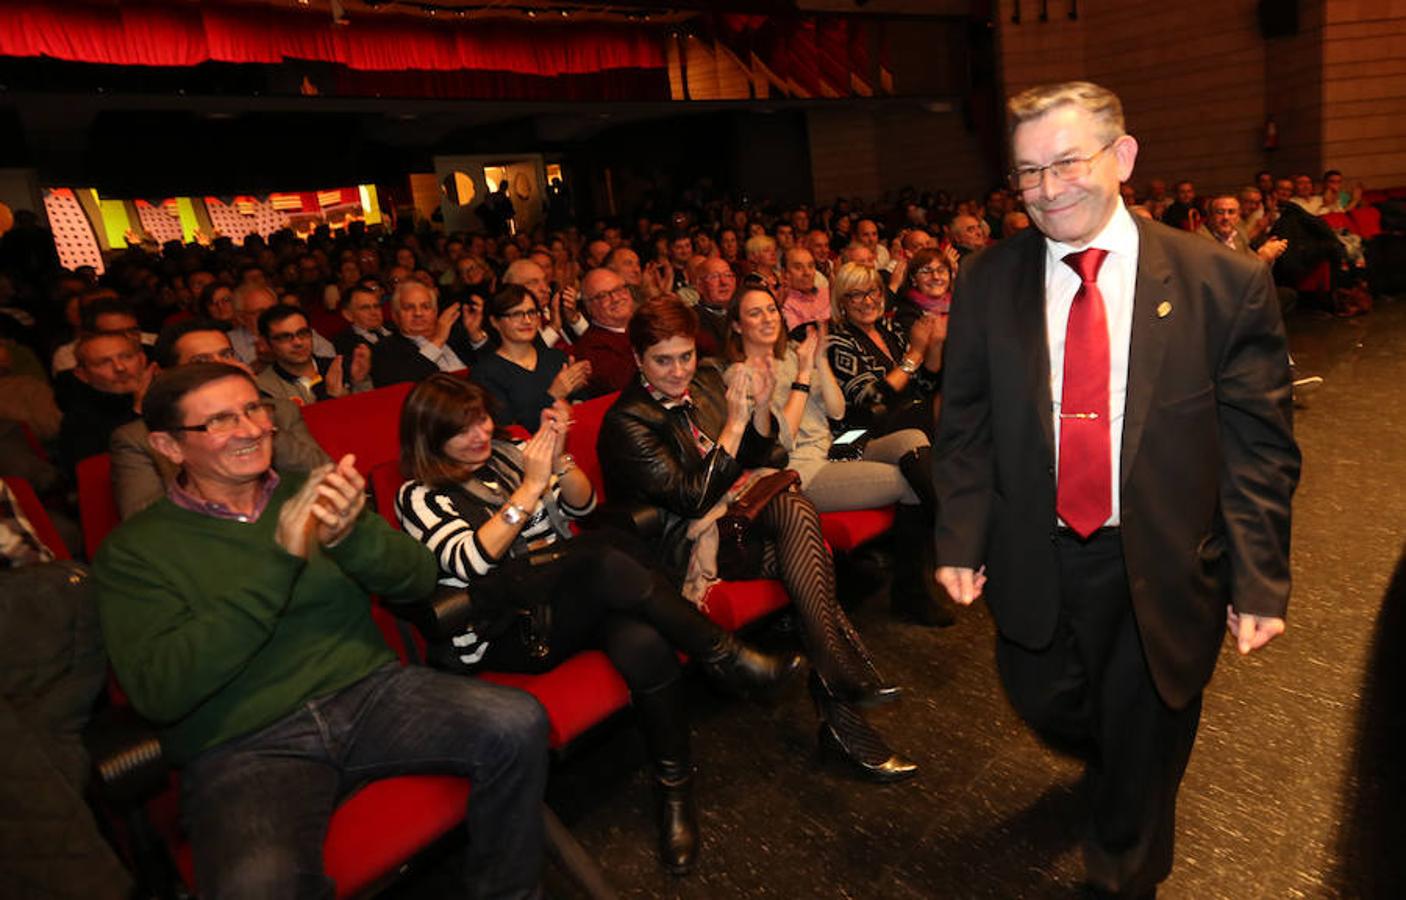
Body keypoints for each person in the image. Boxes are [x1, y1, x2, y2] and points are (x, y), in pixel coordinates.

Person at [933, 81, 1300, 897]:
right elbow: (965, 421)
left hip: (1163, 556)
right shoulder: (989, 279)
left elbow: (1258, 448)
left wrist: (1260, 578)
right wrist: (960, 534)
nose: (1046, 189)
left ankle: (1123, 871)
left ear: (1123, 157)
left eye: (1066, 162)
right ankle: (1117, 760)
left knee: (1145, 733)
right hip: (1034, 548)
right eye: (1028, 173)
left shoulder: (1222, 283)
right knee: (1046, 701)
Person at [95, 363, 549, 897]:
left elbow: (418, 578)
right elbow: (160, 690)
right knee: (257, 884)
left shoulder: (311, 490)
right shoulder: (134, 552)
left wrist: (349, 537)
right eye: (219, 421)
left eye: (253, 410)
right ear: (169, 447)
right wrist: (279, 561)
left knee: (516, 722)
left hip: (369, 694)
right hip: (245, 742)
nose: (248, 429)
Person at [395, 374, 799, 873]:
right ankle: (725, 655)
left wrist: (560, 458)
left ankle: (675, 796)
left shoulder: (511, 450)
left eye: (480, 419)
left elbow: (583, 506)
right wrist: (529, 487)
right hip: (510, 629)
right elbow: (473, 561)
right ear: (430, 437)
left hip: (566, 601)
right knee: (605, 557)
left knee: (643, 639)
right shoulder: (419, 495)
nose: (479, 434)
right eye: (462, 430)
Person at [597, 296, 917, 783]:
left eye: (686, 356)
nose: (679, 370)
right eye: (663, 360)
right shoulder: (628, 421)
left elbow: (767, 455)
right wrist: (735, 422)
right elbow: (691, 499)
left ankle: (840, 703)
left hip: (741, 522)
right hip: (686, 549)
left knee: (799, 536)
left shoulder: (704, 379)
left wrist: (763, 407)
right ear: (637, 359)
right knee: (803, 540)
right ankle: (843, 696)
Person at [726, 286, 949, 626]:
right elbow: (782, 439)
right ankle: (918, 586)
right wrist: (803, 376)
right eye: (755, 313)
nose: (768, 318)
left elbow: (837, 408)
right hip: (801, 471)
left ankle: (945, 550)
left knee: (913, 438)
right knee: (907, 481)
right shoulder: (742, 373)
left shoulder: (790, 356)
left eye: (772, 309)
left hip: (836, 447)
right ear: (737, 326)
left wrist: (818, 365)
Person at [109, 318, 329, 519]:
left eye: (225, 355)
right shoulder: (138, 438)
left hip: (292, 524)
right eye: (201, 361)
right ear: (168, 374)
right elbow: (145, 522)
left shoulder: (278, 411)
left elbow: (323, 473)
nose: (220, 368)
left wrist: (256, 414)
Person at [826, 262, 942, 439]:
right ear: (842, 301)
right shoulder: (837, 341)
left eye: (873, 291)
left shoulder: (889, 328)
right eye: (857, 295)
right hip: (858, 435)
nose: (868, 301)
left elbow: (923, 387)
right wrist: (915, 354)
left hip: (909, 419)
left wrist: (935, 345)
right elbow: (872, 399)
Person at [472, 285, 592, 430]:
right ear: (495, 322)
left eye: (532, 312)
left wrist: (576, 394)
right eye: (516, 314)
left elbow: (583, 404)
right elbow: (509, 430)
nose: (527, 320)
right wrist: (553, 395)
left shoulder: (556, 357)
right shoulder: (485, 373)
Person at [369, 280, 484, 387]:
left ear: (435, 311)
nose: (418, 313)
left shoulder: (456, 332)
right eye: (409, 308)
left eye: (425, 307)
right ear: (395, 315)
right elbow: (403, 387)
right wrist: (437, 342)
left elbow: (497, 369)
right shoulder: (385, 349)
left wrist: (476, 336)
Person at [254, 306, 371, 405]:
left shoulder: (339, 367)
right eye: (285, 337)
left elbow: (370, 411)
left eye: (303, 333)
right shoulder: (264, 388)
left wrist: (360, 382)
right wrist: (330, 398)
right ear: (266, 343)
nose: (298, 342)